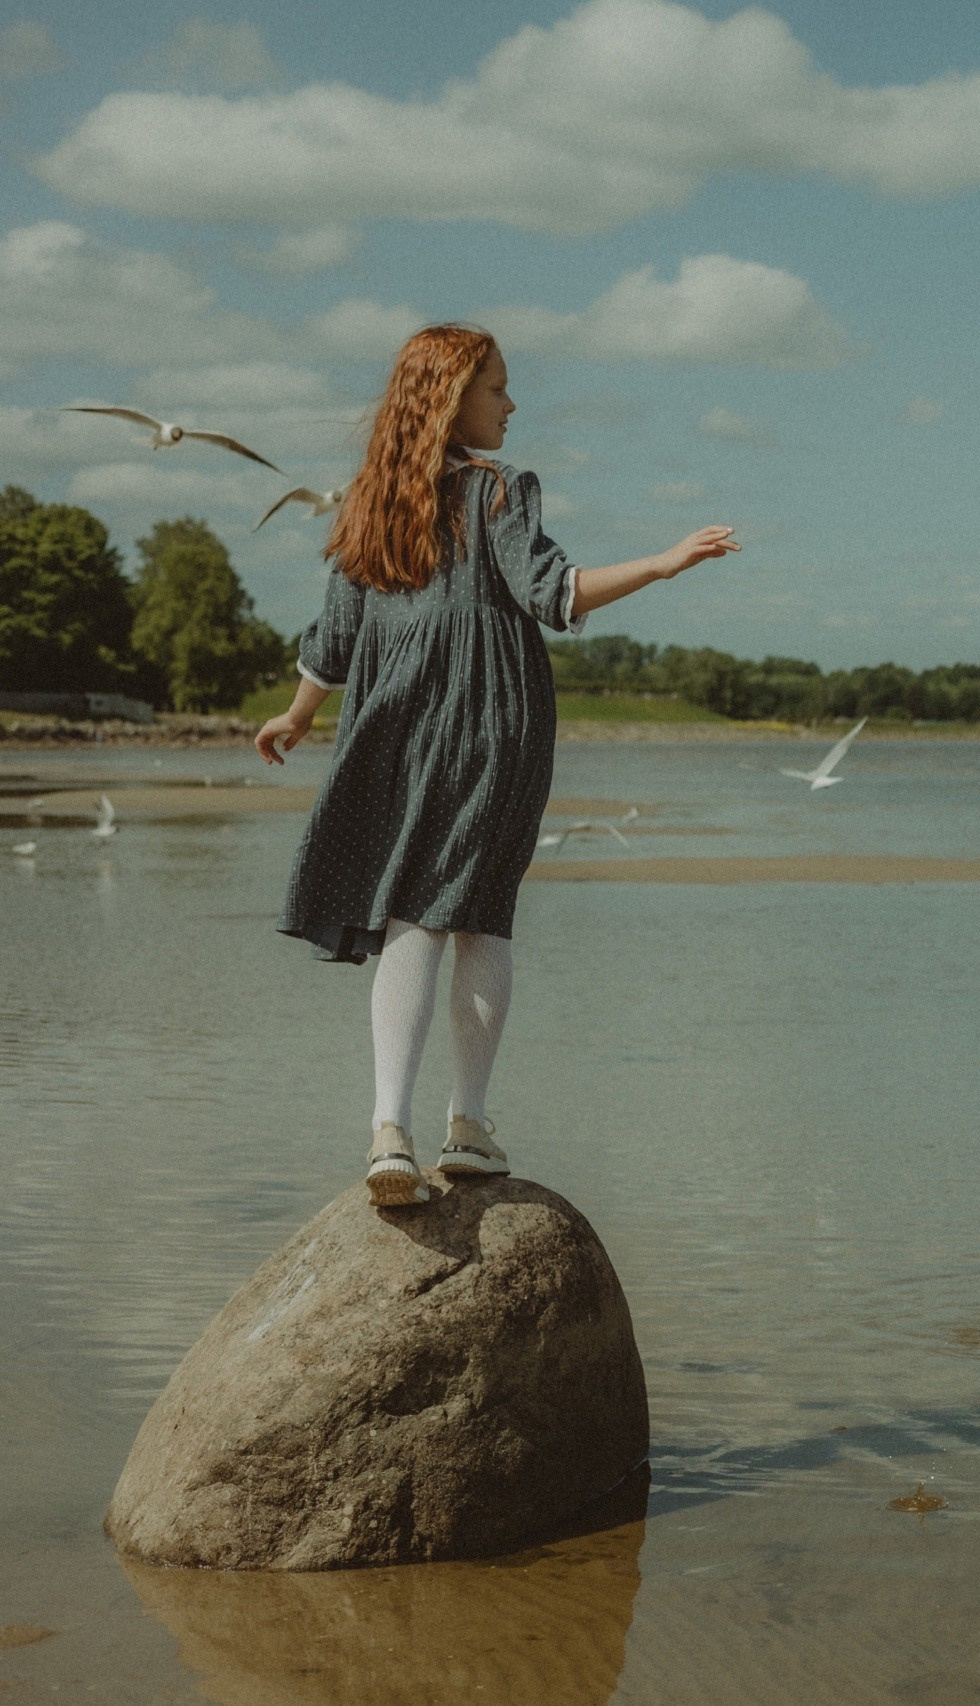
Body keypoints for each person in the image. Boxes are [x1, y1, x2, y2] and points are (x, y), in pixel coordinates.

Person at [256, 324, 739, 1207]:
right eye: (498, 389)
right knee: (479, 913)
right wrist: (664, 566)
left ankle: (387, 1134)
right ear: (450, 398)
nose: (512, 404)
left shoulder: (369, 500)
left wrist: (297, 714)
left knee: (411, 911)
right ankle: (466, 1126)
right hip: (488, 720)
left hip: (391, 721)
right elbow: (554, 590)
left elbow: (336, 634)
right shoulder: (498, 490)